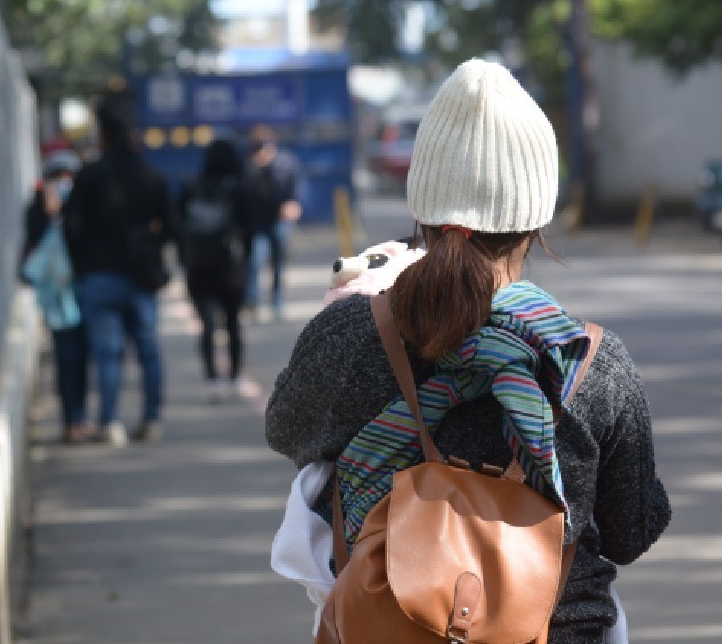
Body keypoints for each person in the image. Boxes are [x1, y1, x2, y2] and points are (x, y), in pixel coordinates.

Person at [265, 59, 670, 642]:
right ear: (535, 220)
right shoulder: (591, 362)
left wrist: (348, 310)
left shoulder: (355, 334)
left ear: (421, 209)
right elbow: (633, 531)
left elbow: (286, 430)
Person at [62, 89, 177, 447]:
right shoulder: (151, 175)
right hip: (141, 276)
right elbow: (173, 227)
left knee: (107, 352)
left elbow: (71, 228)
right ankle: (152, 418)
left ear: (102, 135)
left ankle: (110, 422)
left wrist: (81, 265)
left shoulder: (89, 176)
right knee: (148, 349)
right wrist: (152, 246)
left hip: (98, 275)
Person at [20, 149, 92, 443]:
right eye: (58, 177)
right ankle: (69, 420)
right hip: (58, 298)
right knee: (66, 357)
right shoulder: (36, 211)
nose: (64, 183)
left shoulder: (85, 208)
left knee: (84, 357)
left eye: (68, 177)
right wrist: (52, 216)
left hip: (83, 290)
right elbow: (34, 247)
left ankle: (81, 417)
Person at [177, 138, 254, 402]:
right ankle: (233, 377)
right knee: (232, 323)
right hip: (230, 267)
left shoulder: (191, 186)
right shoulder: (237, 188)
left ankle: (212, 380)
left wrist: (184, 259)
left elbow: (178, 227)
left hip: (198, 267)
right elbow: (249, 229)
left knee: (207, 325)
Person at [244, 123, 304, 321]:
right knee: (255, 259)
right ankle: (252, 300)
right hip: (259, 221)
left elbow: (297, 188)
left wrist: (294, 204)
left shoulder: (285, 163)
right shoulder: (249, 166)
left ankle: (277, 301)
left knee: (278, 262)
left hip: (279, 220)